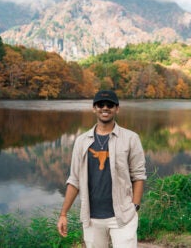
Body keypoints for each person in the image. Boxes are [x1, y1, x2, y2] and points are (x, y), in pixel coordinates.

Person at [57, 90, 146, 248]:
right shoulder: (81, 141)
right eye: (100, 104)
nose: (105, 108)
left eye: (110, 105)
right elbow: (74, 180)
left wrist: (135, 206)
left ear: (116, 109)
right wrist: (63, 214)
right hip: (91, 217)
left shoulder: (131, 138)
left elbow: (138, 176)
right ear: (94, 108)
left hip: (123, 216)